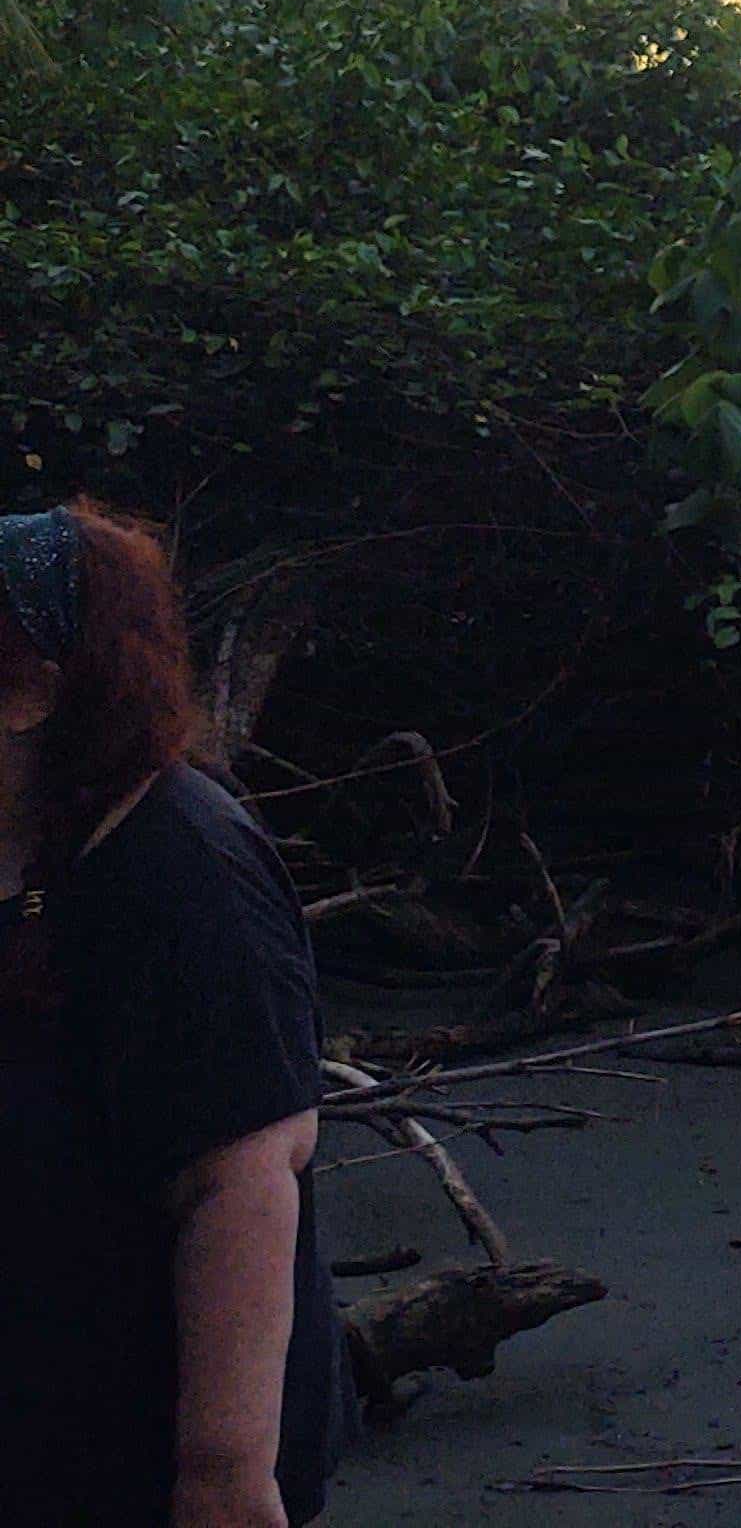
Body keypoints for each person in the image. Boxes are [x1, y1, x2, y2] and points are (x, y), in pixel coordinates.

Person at [0, 503, 346, 1527]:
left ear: (30, 693)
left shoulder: (183, 869)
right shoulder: (23, 846)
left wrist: (224, 1480)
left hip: (133, 1461)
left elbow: (241, 1183)